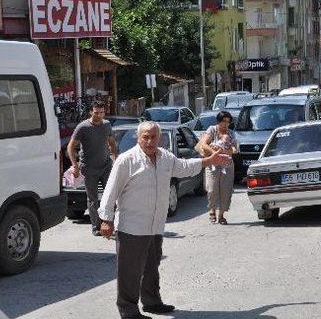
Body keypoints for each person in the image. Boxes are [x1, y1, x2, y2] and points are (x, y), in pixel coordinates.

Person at [98, 121, 229, 319]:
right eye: (145, 137)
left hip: (155, 226)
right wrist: (106, 220)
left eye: (153, 137)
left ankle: (152, 302)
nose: (149, 141)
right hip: (132, 228)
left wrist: (208, 161)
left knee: (151, 268)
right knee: (130, 272)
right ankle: (128, 311)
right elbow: (111, 191)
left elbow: (184, 167)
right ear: (138, 137)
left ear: (159, 138)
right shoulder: (126, 160)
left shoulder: (165, 157)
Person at [67, 100, 118, 236]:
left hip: (106, 166)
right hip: (89, 169)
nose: (99, 115)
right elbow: (71, 146)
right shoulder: (83, 127)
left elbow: (112, 143)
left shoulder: (106, 125)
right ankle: (96, 227)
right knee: (93, 199)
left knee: (110, 196)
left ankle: (109, 224)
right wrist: (74, 165)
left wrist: (116, 159)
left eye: (101, 113)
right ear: (91, 112)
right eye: (96, 113)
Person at [198, 111, 238, 225]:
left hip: (227, 165)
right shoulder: (212, 130)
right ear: (218, 121)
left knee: (226, 191)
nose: (225, 124)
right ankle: (212, 211)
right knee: (211, 189)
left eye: (228, 121)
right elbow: (204, 144)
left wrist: (224, 151)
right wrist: (215, 152)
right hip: (212, 165)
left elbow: (234, 150)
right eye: (223, 121)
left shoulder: (231, 133)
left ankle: (221, 216)